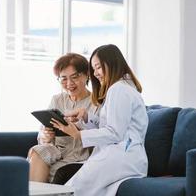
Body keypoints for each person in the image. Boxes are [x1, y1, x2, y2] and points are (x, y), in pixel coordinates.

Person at [51, 44, 149, 195]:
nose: (95, 73)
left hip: (122, 156)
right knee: (70, 187)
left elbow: (115, 133)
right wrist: (86, 117)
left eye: (98, 67)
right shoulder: (121, 87)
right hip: (125, 155)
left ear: (111, 64)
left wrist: (78, 134)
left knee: (70, 190)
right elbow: (112, 126)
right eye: (94, 69)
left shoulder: (119, 89)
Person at [27, 53, 94, 183]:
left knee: (57, 170)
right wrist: (45, 136)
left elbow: (102, 135)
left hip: (80, 156)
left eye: (74, 77)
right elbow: (43, 133)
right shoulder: (57, 99)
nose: (69, 83)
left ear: (87, 75)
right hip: (56, 153)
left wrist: (78, 129)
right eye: (63, 79)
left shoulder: (96, 102)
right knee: (37, 151)